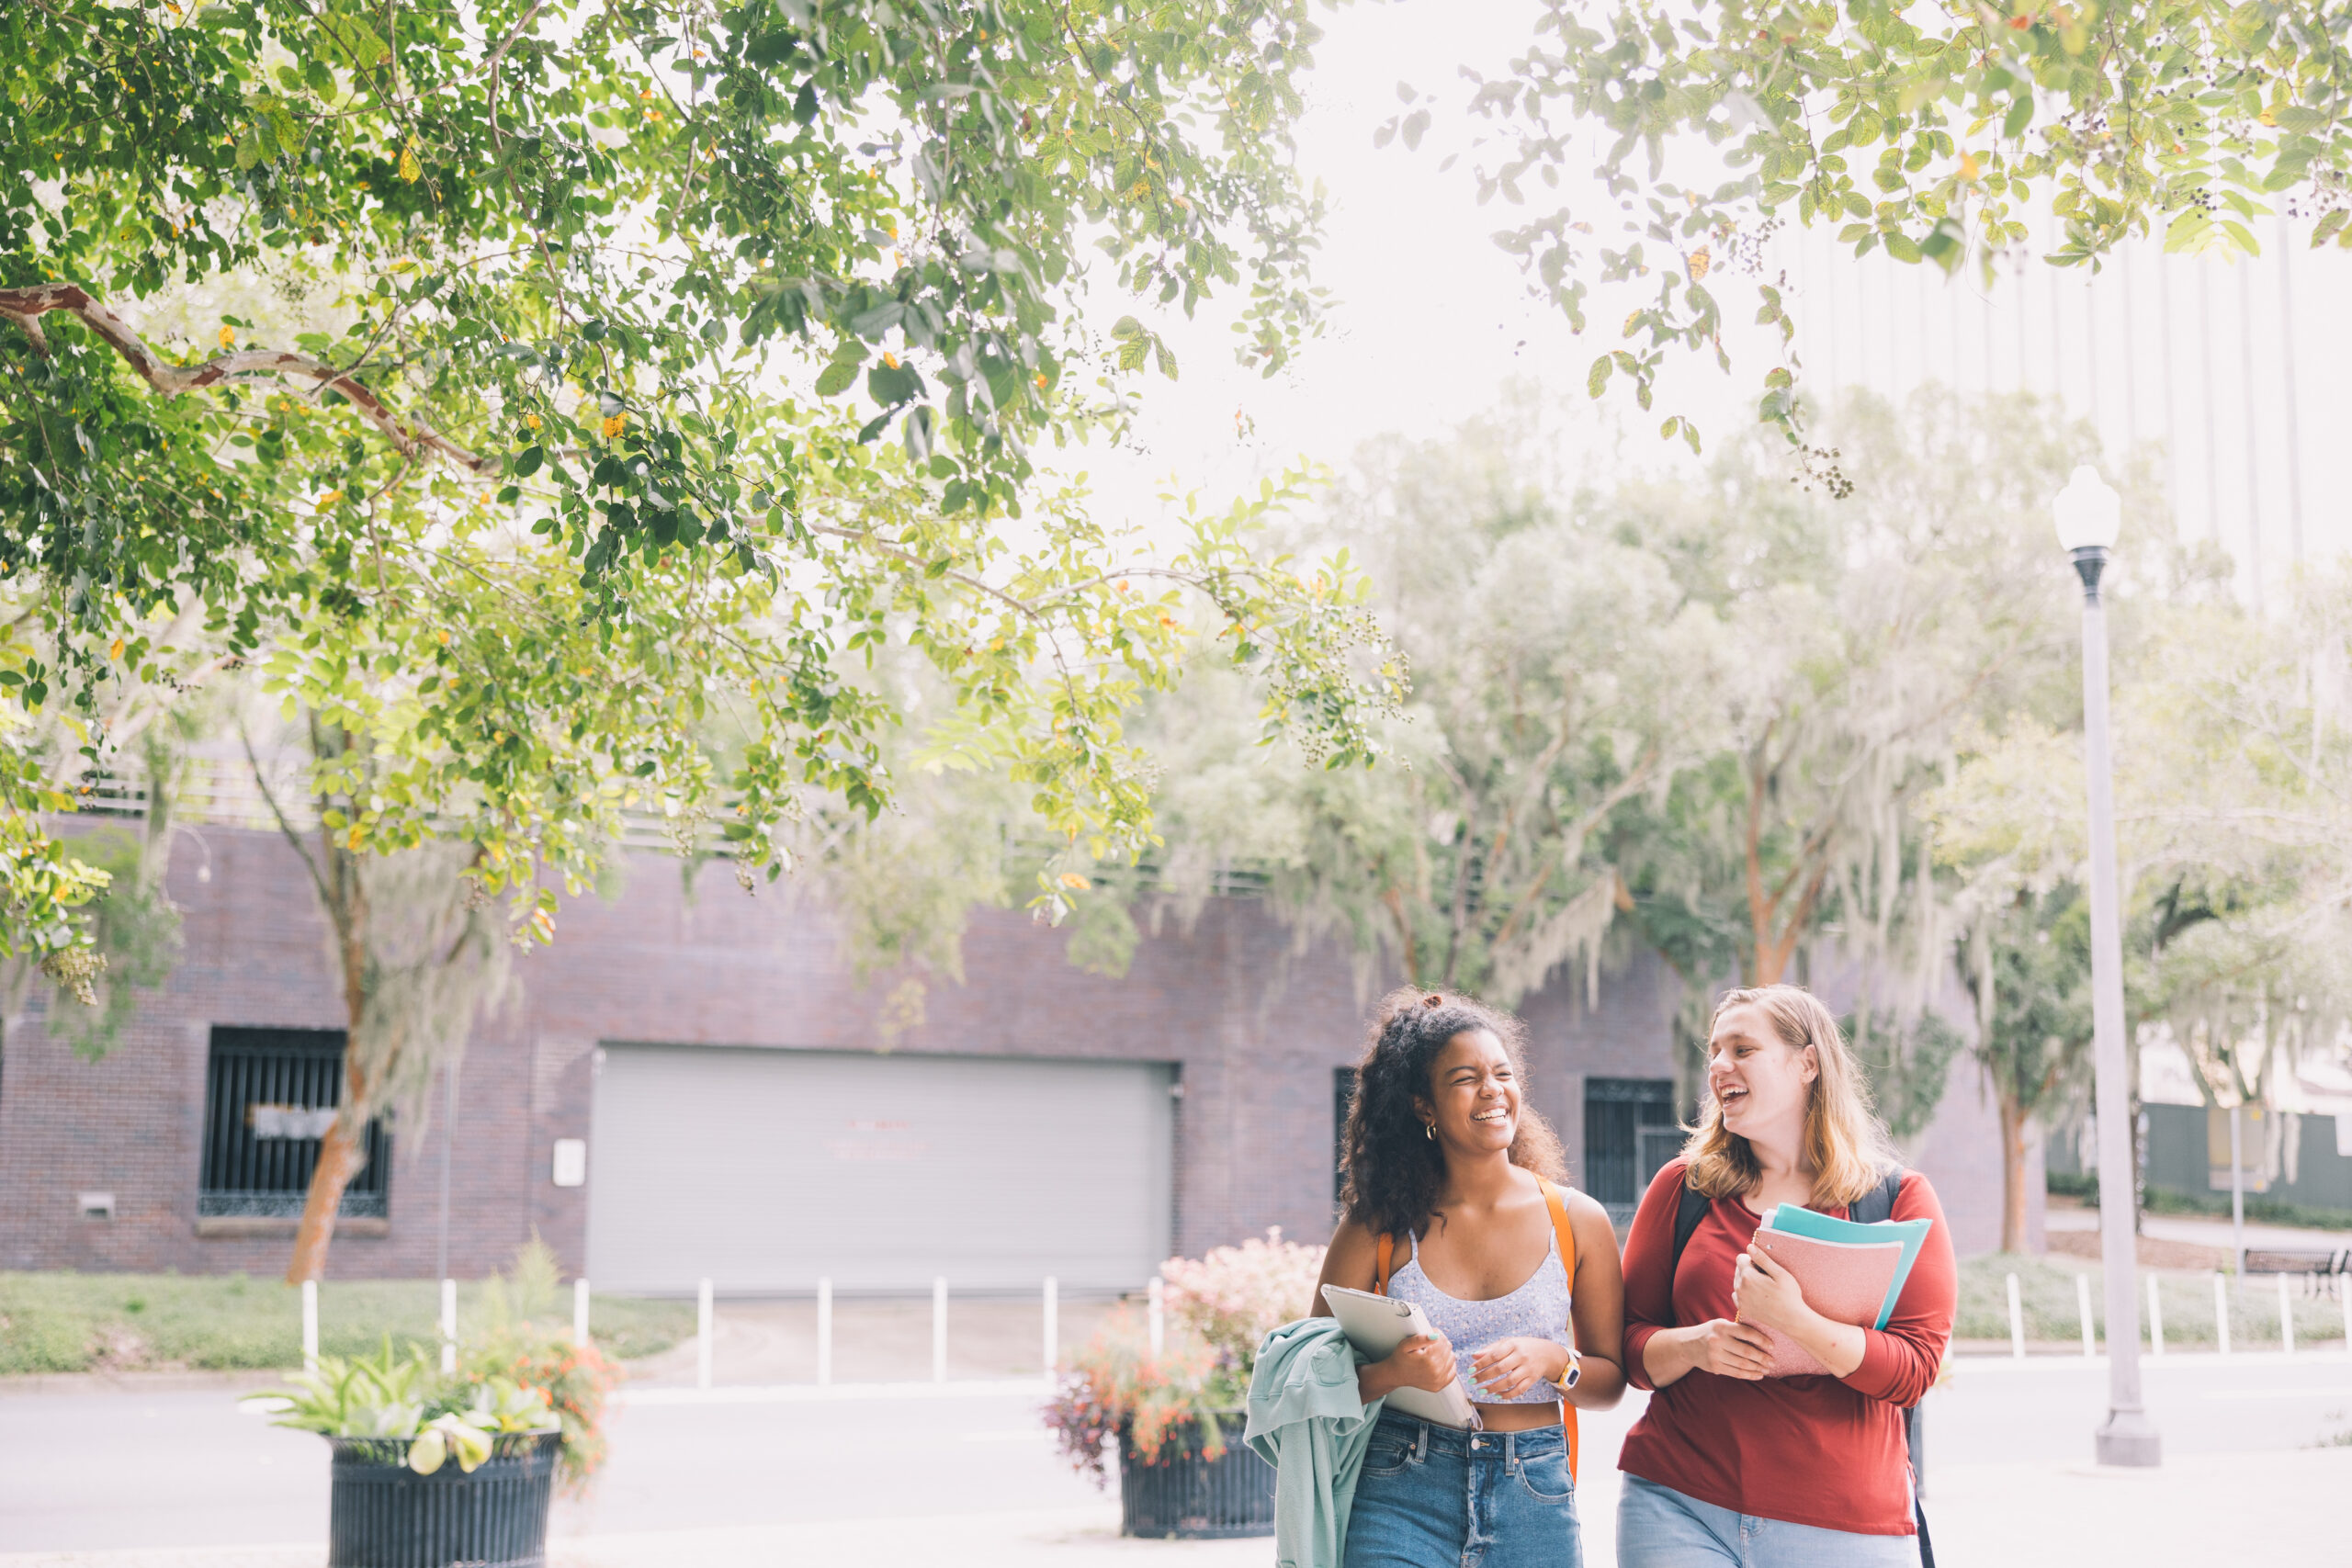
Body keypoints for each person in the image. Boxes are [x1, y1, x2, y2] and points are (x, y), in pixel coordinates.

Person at [1614, 984, 1957, 1567]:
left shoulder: (1897, 1199)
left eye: (1743, 1049)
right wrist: (1697, 1346)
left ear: (1808, 1063)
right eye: (1715, 1051)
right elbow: (1628, 1346)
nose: (1720, 1065)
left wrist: (1795, 1321)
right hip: (1676, 1507)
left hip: (1846, 1526)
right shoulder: (1682, 1187)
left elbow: (1915, 1371)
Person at [1309, 988, 1625, 1568]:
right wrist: (1393, 1373)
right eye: (1464, 1078)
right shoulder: (1378, 1224)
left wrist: (1556, 1361)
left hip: (1533, 1489)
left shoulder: (1578, 1220)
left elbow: (1610, 1384)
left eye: (1502, 1073)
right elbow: (1312, 1379)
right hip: (1400, 1485)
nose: (1492, 1090)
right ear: (1423, 1106)